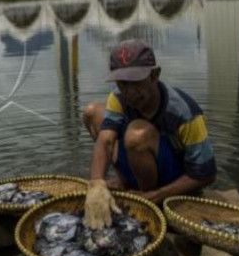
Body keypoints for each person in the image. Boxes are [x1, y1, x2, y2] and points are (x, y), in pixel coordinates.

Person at [82, 39, 216, 229]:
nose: (129, 92)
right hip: (141, 160)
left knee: (136, 134)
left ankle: (149, 197)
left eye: (136, 83)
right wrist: (96, 183)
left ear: (154, 75)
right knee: (92, 113)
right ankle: (125, 181)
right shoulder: (118, 98)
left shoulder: (184, 112)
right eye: (122, 84)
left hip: (170, 174)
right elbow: (105, 141)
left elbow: (206, 174)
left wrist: (157, 195)